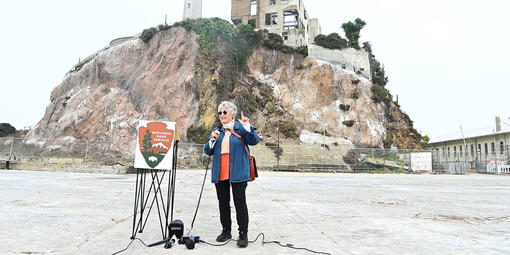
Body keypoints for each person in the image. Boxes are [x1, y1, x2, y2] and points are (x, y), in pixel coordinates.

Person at [203, 101, 259, 248]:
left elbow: (254, 140)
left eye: (224, 112)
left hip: (238, 171)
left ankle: (243, 234)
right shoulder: (217, 130)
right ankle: (226, 231)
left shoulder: (241, 129)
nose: (221, 115)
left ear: (232, 114)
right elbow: (207, 150)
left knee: (240, 202)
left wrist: (247, 126)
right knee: (223, 203)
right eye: (220, 113)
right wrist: (212, 140)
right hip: (220, 171)